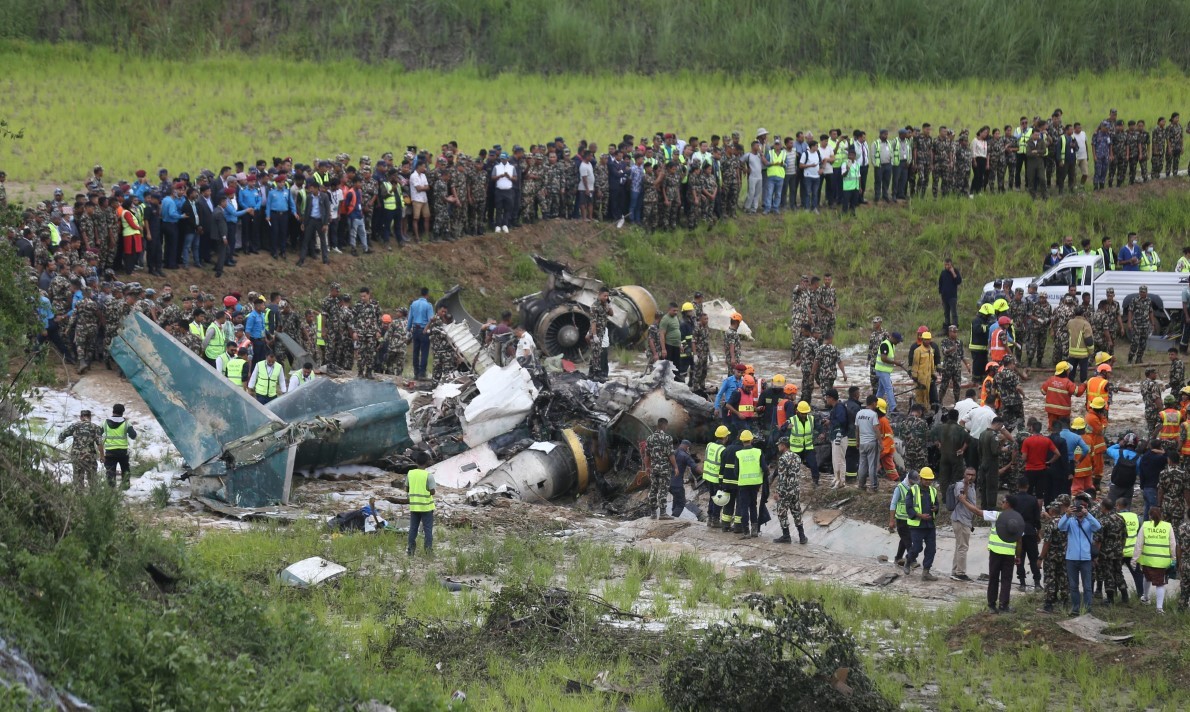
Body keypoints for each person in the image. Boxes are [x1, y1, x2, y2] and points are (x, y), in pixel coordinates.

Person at [958, 491, 1021, 613]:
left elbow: (977, 511)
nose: (1001, 503)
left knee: (993, 578)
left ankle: (992, 606)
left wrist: (963, 501)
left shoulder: (996, 516)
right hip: (1009, 555)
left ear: (1007, 504)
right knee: (1006, 580)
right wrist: (1018, 556)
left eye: (1003, 502)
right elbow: (1019, 541)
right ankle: (1004, 606)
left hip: (995, 553)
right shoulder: (1018, 520)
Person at [1058, 498, 1102, 615]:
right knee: (1073, 586)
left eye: (1080, 509)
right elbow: (1060, 526)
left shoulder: (1089, 521)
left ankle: (1088, 609)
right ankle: (1076, 608)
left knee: (1087, 586)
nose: (1078, 511)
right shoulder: (1071, 521)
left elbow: (1098, 527)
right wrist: (1066, 515)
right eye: (1076, 508)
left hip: (1086, 559)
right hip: (1071, 558)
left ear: (1085, 509)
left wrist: (1088, 514)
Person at [1131, 506, 1177, 613]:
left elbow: (1139, 544)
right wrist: (1174, 559)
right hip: (1162, 562)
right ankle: (1159, 608)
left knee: (1147, 578)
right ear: (1161, 515)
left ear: (1149, 516)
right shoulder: (1168, 526)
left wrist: (1134, 559)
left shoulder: (1145, 525)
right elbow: (1173, 544)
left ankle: (1145, 598)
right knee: (1160, 584)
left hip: (1148, 560)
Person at [903, 466, 939, 581]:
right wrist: (920, 515)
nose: (928, 482)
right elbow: (908, 508)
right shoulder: (913, 490)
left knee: (931, 549)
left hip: (930, 525)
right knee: (917, 548)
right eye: (926, 479)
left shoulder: (933, 490)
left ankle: (926, 572)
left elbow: (937, 504)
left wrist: (936, 508)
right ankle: (908, 560)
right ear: (921, 478)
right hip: (917, 526)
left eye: (930, 480)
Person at [771, 439, 808, 545]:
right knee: (796, 512)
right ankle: (802, 536)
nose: (778, 447)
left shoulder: (782, 459)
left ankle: (786, 535)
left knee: (782, 512)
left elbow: (782, 477)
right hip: (795, 489)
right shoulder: (797, 457)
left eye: (779, 445)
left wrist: (777, 491)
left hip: (786, 490)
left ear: (783, 446)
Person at [58, 409, 104, 491]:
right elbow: (99, 443)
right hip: (90, 456)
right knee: (92, 477)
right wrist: (102, 456)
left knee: (78, 477)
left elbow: (62, 434)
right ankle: (94, 496)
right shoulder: (95, 427)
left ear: (81, 417)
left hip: (77, 456)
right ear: (90, 417)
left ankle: (78, 497)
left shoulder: (75, 426)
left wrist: (61, 440)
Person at [732, 429, 766, 537]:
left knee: (744, 507)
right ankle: (754, 530)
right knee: (753, 505)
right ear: (751, 440)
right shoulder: (758, 452)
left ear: (742, 441)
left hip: (743, 483)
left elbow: (736, 471)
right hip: (755, 483)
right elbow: (764, 468)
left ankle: (746, 531)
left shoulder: (739, 454)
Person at [644, 418, 677, 521]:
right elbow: (671, 455)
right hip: (664, 469)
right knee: (663, 489)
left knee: (653, 489)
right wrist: (675, 467)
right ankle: (662, 513)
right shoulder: (667, 438)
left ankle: (653, 513)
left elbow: (647, 455)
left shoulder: (650, 438)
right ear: (665, 425)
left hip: (654, 469)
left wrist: (647, 467)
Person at [949, 467, 978, 582]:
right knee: (963, 547)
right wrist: (966, 484)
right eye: (968, 474)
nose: (970, 477)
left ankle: (955, 571)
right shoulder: (961, 485)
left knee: (959, 546)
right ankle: (960, 573)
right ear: (964, 474)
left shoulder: (972, 486)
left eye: (973, 475)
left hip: (965, 520)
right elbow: (963, 498)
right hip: (961, 520)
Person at [406, 451, 436, 556]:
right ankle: (428, 552)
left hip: (414, 506)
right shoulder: (429, 475)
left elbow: (407, 488)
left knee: (413, 529)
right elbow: (433, 491)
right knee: (428, 530)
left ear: (416, 461)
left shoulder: (410, 473)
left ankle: (410, 551)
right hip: (426, 507)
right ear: (427, 462)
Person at [102, 403, 137, 489]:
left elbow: (98, 434)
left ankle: (111, 488)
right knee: (125, 469)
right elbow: (133, 436)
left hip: (110, 451)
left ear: (113, 411)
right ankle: (125, 487)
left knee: (110, 471)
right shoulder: (126, 423)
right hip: (122, 451)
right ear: (122, 412)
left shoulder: (105, 423)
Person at [888, 470, 918, 567]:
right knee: (908, 539)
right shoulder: (900, 488)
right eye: (913, 481)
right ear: (909, 479)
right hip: (901, 519)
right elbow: (893, 504)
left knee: (904, 539)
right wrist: (891, 520)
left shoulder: (914, 487)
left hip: (911, 518)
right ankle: (912, 560)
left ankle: (898, 558)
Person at [702, 426, 729, 526]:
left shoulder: (709, 445)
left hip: (708, 476)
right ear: (725, 437)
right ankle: (715, 519)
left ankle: (710, 518)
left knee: (712, 497)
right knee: (718, 499)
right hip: (717, 478)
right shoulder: (723, 449)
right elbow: (723, 466)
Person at [787, 401, 818, 487]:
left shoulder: (811, 419)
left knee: (813, 464)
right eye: (803, 413)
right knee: (790, 466)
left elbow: (818, 427)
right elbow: (783, 427)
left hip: (808, 447)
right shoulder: (792, 420)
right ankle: (785, 480)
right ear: (798, 412)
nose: (804, 415)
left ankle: (815, 481)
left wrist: (821, 433)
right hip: (796, 448)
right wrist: (786, 426)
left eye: (806, 413)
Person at [874, 331, 903, 415]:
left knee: (881, 390)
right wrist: (895, 362)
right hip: (881, 370)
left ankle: (874, 404)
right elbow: (883, 358)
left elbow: (889, 358)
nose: (898, 342)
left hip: (885, 371)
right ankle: (893, 408)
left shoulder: (892, 345)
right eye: (898, 340)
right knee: (889, 388)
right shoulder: (885, 345)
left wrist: (896, 362)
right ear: (893, 338)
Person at [408, 287, 433, 380]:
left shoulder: (413, 304)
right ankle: (422, 373)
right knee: (424, 352)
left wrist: (408, 329)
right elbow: (431, 320)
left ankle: (416, 373)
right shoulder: (428, 305)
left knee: (415, 351)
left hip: (415, 330)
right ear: (427, 294)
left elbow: (410, 318)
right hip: (424, 330)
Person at [671, 440, 697, 518]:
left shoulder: (672, 453)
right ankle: (673, 518)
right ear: (687, 447)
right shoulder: (685, 456)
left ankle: (672, 515)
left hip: (667, 482)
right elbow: (695, 468)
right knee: (681, 503)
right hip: (677, 484)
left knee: (676, 499)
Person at [938, 258, 962, 330]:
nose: (947, 266)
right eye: (945, 265)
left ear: (951, 264)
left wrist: (953, 273)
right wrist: (941, 294)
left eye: (948, 264)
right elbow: (940, 284)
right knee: (946, 313)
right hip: (945, 296)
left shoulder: (955, 271)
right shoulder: (943, 273)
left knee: (953, 313)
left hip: (952, 296)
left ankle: (954, 327)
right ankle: (946, 328)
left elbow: (958, 281)